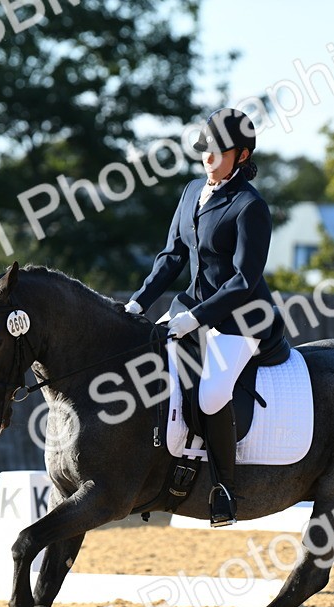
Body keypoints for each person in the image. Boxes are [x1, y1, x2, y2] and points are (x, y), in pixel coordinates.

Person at [124, 108, 288, 527]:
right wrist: (139, 304)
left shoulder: (251, 207)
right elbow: (172, 256)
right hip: (189, 310)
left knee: (212, 393)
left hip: (241, 318)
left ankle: (224, 491)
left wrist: (196, 318)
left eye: (218, 152)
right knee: (145, 368)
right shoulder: (192, 191)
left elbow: (244, 280)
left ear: (243, 154)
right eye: (204, 151)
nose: (208, 159)